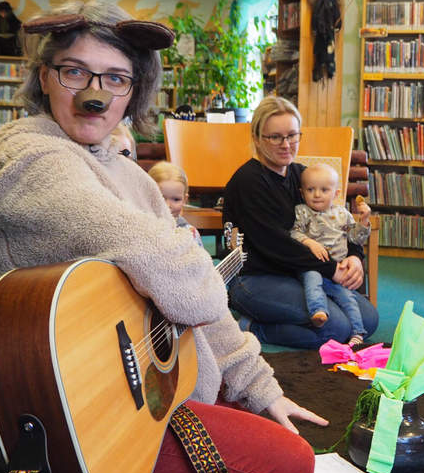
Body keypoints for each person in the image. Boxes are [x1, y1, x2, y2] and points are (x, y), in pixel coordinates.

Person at [0, 0, 327, 473]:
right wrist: (188, 269)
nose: (94, 96)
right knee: (290, 468)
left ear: (134, 92)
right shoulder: (28, 157)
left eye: (116, 79)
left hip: (137, 392)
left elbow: (195, 296)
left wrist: (260, 388)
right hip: (73, 422)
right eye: (75, 72)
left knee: (259, 421)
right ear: (44, 77)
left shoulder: (131, 175)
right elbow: (188, 282)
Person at [223, 96, 379, 349]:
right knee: (337, 327)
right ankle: (252, 328)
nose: (286, 145)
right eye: (275, 137)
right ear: (257, 138)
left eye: (292, 135)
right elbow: (276, 245)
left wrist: (354, 256)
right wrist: (332, 269)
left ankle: (273, 320)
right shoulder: (248, 181)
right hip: (255, 279)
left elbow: (335, 219)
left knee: (368, 320)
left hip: (302, 274)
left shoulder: (302, 175)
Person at [291, 163, 371, 346]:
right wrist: (309, 242)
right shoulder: (301, 211)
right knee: (313, 281)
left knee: (348, 298)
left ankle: (358, 333)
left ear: (336, 194)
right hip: (312, 267)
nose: (317, 194)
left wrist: (364, 221)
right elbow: (293, 233)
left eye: (324, 190)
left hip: (338, 269)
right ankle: (318, 312)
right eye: (310, 190)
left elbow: (355, 238)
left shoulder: (343, 214)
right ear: (302, 193)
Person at [148, 160, 204, 247]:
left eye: (176, 199)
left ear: (184, 200)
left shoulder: (190, 233)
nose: (167, 206)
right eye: (161, 198)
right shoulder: (141, 228)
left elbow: (199, 255)